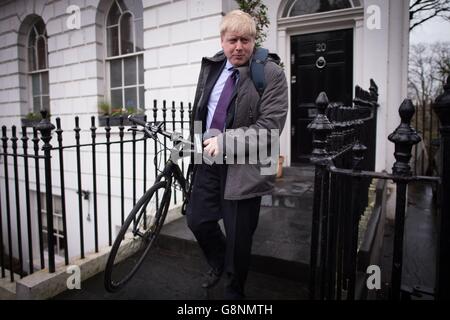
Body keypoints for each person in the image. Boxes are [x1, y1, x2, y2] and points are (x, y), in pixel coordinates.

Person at [186, 9, 288, 300]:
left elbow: (270, 129)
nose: (239, 46)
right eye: (233, 40)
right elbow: (201, 110)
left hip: (245, 169)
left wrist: (226, 142)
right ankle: (219, 263)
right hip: (208, 160)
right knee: (197, 219)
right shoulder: (213, 67)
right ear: (222, 40)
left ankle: (234, 289)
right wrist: (195, 147)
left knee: (239, 239)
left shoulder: (271, 74)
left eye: (245, 40)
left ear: (254, 41)